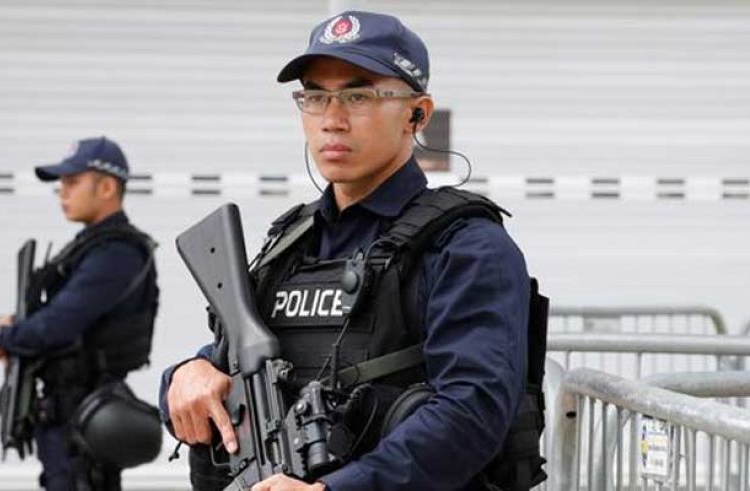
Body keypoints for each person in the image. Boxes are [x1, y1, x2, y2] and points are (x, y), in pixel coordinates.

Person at [160, 11, 545, 491]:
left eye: (358, 96)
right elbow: (236, 361)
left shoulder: (465, 245)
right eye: (314, 96)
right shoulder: (290, 242)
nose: (331, 119)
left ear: (417, 114)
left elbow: (472, 410)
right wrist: (185, 375)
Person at [0, 136, 160, 490]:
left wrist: (4, 337)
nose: (63, 192)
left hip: (84, 415)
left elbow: (59, 325)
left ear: (108, 186)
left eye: (72, 182)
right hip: (67, 413)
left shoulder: (116, 252)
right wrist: (17, 328)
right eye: (61, 184)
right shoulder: (92, 246)